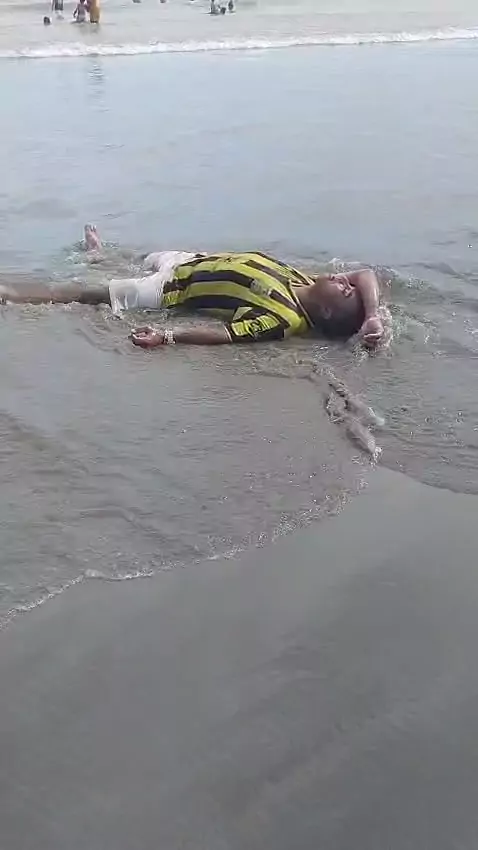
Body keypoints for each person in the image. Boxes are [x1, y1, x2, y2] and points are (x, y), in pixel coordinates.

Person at [0, 226, 385, 349]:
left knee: (89, 294)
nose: (343, 279)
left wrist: (169, 336)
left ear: (326, 311)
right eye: (345, 282)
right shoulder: (305, 282)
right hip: (188, 260)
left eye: (344, 290)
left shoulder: (283, 319)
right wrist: (371, 317)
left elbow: (226, 335)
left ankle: (11, 294)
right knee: (135, 259)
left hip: (167, 290)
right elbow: (366, 273)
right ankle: (99, 255)